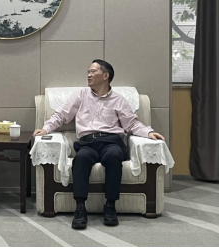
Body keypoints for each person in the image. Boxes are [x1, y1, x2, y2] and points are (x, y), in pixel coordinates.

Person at [33, 60, 165, 229]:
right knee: (81, 159)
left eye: (93, 72)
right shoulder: (80, 95)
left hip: (112, 142)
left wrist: (148, 133)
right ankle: (80, 208)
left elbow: (132, 124)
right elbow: (61, 115)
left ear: (105, 75)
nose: (88, 75)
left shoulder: (118, 100)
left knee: (114, 157)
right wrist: (45, 129)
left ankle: (110, 206)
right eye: (88, 72)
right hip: (87, 142)